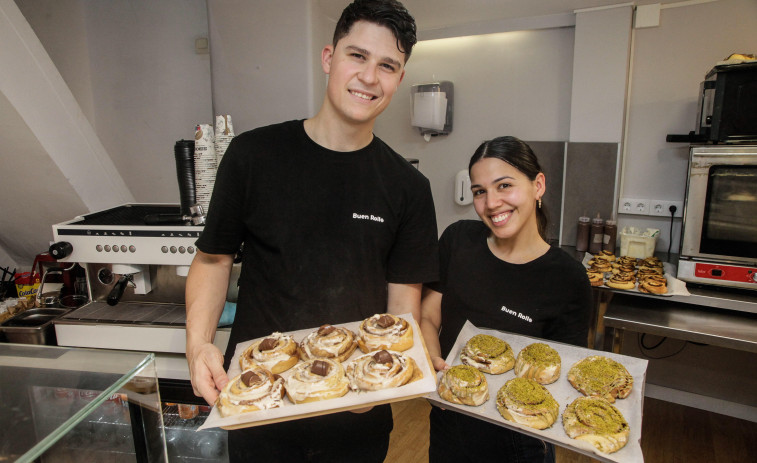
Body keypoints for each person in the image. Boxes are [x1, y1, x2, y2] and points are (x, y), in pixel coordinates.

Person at [184, 0, 438, 461]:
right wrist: (199, 343)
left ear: (398, 80)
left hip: (357, 418)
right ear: (328, 57)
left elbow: (403, 306)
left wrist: (377, 391)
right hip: (259, 404)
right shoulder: (253, 156)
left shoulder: (409, 188)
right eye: (356, 56)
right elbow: (213, 258)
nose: (368, 77)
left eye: (387, 66)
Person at [420, 136, 592, 463]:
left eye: (504, 185)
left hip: (519, 435)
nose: (492, 202)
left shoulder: (567, 278)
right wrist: (433, 363)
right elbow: (429, 314)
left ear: (538, 185)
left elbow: (563, 374)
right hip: (449, 418)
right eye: (480, 191)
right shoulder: (458, 241)